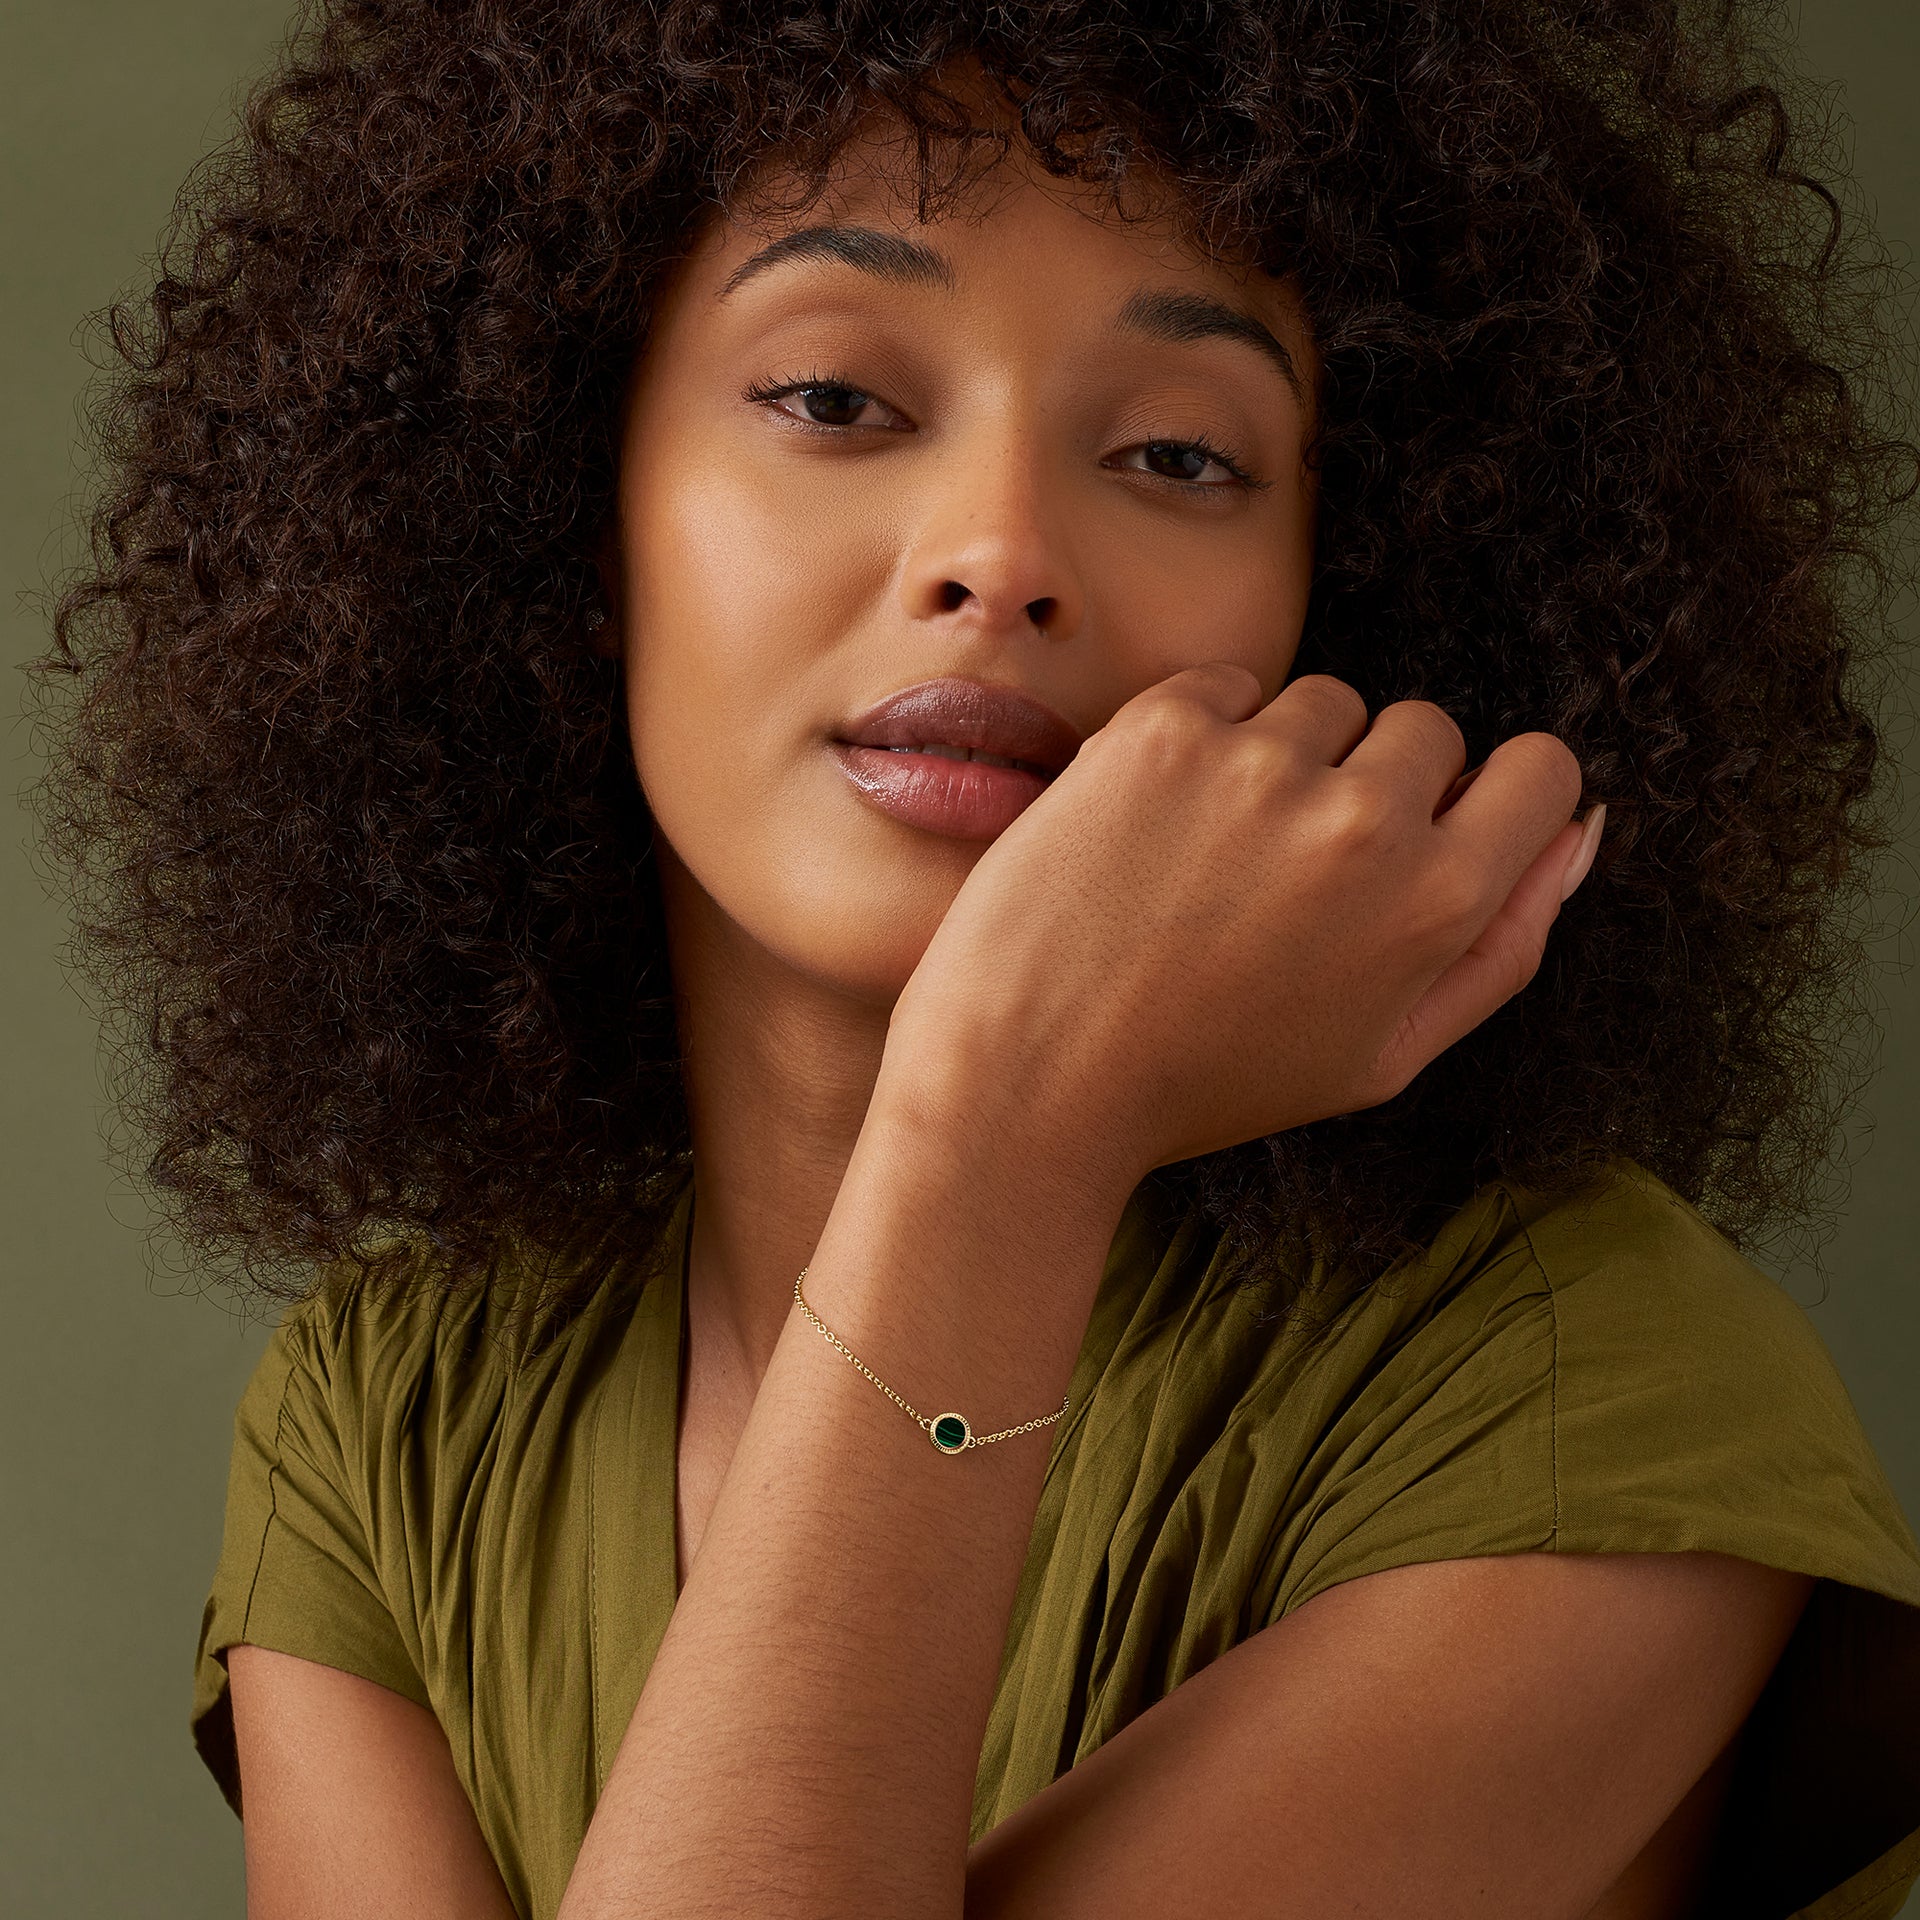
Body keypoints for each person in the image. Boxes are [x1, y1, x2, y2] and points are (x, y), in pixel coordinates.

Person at [35, 2, 1920, 1914]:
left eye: (1182, 453)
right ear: (564, 517)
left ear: (1337, 596)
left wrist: (1004, 1123)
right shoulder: (391, 1422)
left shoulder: (1577, 1389)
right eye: (836, 400)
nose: (1001, 552)